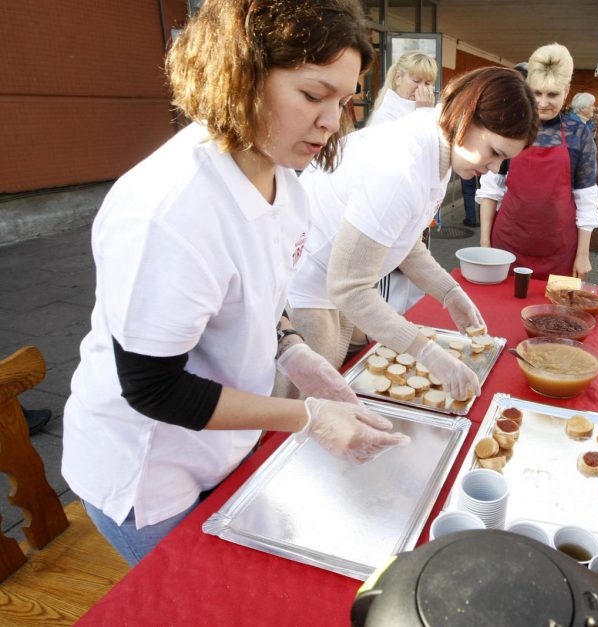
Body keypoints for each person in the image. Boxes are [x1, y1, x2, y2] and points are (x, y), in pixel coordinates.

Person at [61, 0, 410, 566]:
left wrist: (293, 350)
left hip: (221, 444)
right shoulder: (171, 211)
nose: (331, 122)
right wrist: (305, 417)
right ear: (242, 75)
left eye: (343, 102)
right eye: (313, 95)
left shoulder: (287, 185)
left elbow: (261, 298)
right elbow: (153, 388)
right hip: (149, 473)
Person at [287, 67, 538, 402]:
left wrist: (450, 293)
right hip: (306, 286)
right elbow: (349, 288)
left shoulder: (438, 146)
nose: (494, 168)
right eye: (495, 152)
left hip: (334, 283)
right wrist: (426, 352)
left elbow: (404, 241)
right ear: (465, 117)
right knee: (305, 408)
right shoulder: (400, 169)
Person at [477, 43, 598, 280]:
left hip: (560, 249)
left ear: (566, 90)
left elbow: (586, 199)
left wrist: (583, 254)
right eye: (537, 93)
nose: (543, 103)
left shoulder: (578, 134)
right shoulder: (512, 126)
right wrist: (485, 242)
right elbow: (491, 190)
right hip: (507, 244)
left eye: (552, 94)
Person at [366, 51, 441, 315]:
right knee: (391, 301)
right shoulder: (386, 117)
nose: (422, 90)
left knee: (413, 297)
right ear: (398, 77)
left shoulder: (416, 112)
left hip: (414, 223)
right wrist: (424, 115)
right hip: (389, 225)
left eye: (429, 83)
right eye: (416, 80)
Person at [367, 50, 437, 127]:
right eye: (416, 81)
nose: (422, 88)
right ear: (398, 78)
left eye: (427, 83)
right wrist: (424, 113)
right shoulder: (385, 115)